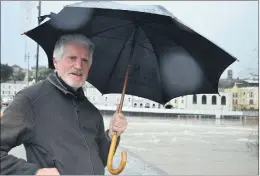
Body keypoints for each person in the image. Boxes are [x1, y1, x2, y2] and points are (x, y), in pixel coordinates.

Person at [0, 34, 128, 175]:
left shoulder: (93, 113)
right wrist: (35, 172)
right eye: (72, 58)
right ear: (56, 61)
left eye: (84, 60)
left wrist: (111, 135)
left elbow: (99, 161)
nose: (79, 66)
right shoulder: (30, 100)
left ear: (89, 67)